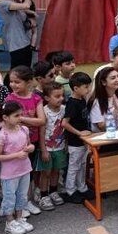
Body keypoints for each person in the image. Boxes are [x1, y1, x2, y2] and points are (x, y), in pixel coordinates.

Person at [4, 66, 45, 215]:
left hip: (31, 143)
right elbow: (9, 122)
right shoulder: (10, 99)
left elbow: (41, 120)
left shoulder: (36, 98)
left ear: (28, 82)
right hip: (14, 145)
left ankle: (26, 202)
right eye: (11, 82)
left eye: (17, 82)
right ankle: (17, 205)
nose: (13, 85)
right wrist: (28, 120)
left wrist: (20, 118)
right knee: (16, 175)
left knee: (28, 174)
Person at [0, 101, 36, 234]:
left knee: (22, 195)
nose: (20, 118)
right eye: (16, 116)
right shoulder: (2, 136)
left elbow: (29, 145)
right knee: (10, 196)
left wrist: (31, 148)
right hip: (10, 173)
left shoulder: (24, 129)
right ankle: (9, 222)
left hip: (24, 168)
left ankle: (19, 217)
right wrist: (16, 155)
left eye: (20, 115)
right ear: (5, 117)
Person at [61, 72, 93, 204]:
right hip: (75, 142)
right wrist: (79, 133)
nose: (88, 89)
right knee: (74, 166)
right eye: (86, 87)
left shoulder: (82, 99)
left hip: (83, 141)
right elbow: (64, 123)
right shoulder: (72, 103)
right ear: (76, 88)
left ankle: (82, 187)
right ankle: (70, 190)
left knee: (82, 165)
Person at [36, 82, 68, 212]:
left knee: (56, 170)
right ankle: (44, 195)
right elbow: (41, 132)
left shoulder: (64, 110)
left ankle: (53, 191)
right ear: (47, 98)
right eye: (57, 96)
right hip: (47, 148)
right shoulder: (44, 112)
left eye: (62, 95)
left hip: (60, 146)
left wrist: (66, 143)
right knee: (46, 172)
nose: (61, 98)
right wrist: (43, 150)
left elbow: (65, 128)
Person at [0, 0, 34, 69]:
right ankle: (7, 82)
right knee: (17, 70)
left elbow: (27, 6)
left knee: (26, 69)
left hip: (25, 41)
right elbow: (27, 5)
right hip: (16, 43)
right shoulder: (4, 3)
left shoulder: (15, 1)